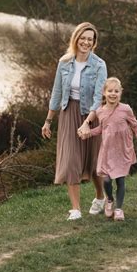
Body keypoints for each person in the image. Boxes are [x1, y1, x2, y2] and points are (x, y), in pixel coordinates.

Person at [41, 21, 107, 221]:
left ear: (93, 42)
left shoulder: (99, 65)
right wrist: (48, 121)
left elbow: (98, 98)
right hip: (69, 114)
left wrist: (88, 122)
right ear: (76, 38)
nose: (86, 42)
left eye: (90, 39)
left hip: (91, 116)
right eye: (83, 38)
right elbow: (57, 92)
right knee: (70, 160)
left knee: (94, 162)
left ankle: (100, 197)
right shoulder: (64, 62)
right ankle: (76, 209)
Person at [79, 77, 137, 221]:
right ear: (104, 93)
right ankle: (109, 199)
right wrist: (88, 133)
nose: (113, 94)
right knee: (108, 180)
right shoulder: (100, 111)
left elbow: (135, 125)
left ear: (120, 93)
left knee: (120, 181)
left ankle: (119, 209)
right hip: (107, 151)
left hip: (122, 150)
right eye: (110, 91)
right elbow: (102, 129)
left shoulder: (126, 109)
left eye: (116, 91)